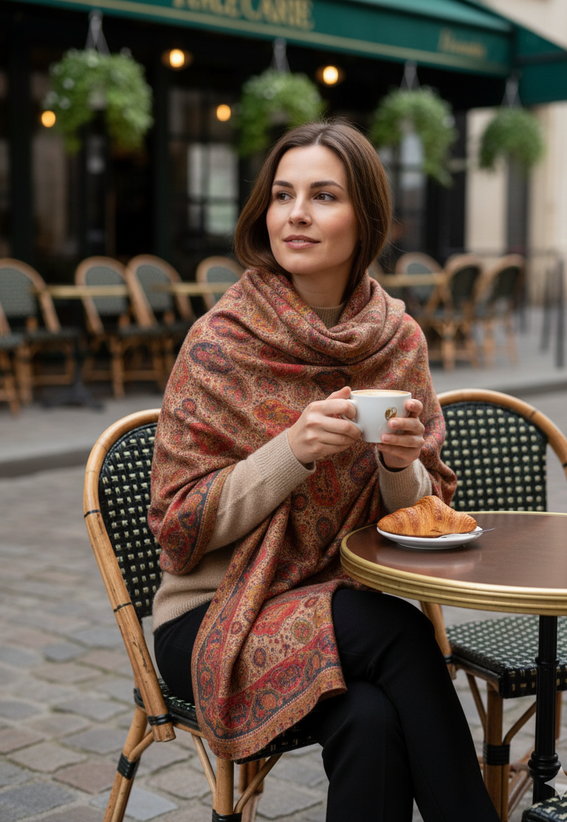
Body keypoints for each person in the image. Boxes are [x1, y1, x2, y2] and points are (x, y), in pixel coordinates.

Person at [149, 120, 500, 822]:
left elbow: (421, 511)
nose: (296, 214)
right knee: (399, 631)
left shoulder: (396, 339)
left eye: (322, 195)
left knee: (369, 721)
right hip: (218, 616)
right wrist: (293, 451)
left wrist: (399, 466)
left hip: (340, 603)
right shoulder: (221, 342)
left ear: (363, 217)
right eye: (282, 195)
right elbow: (179, 528)